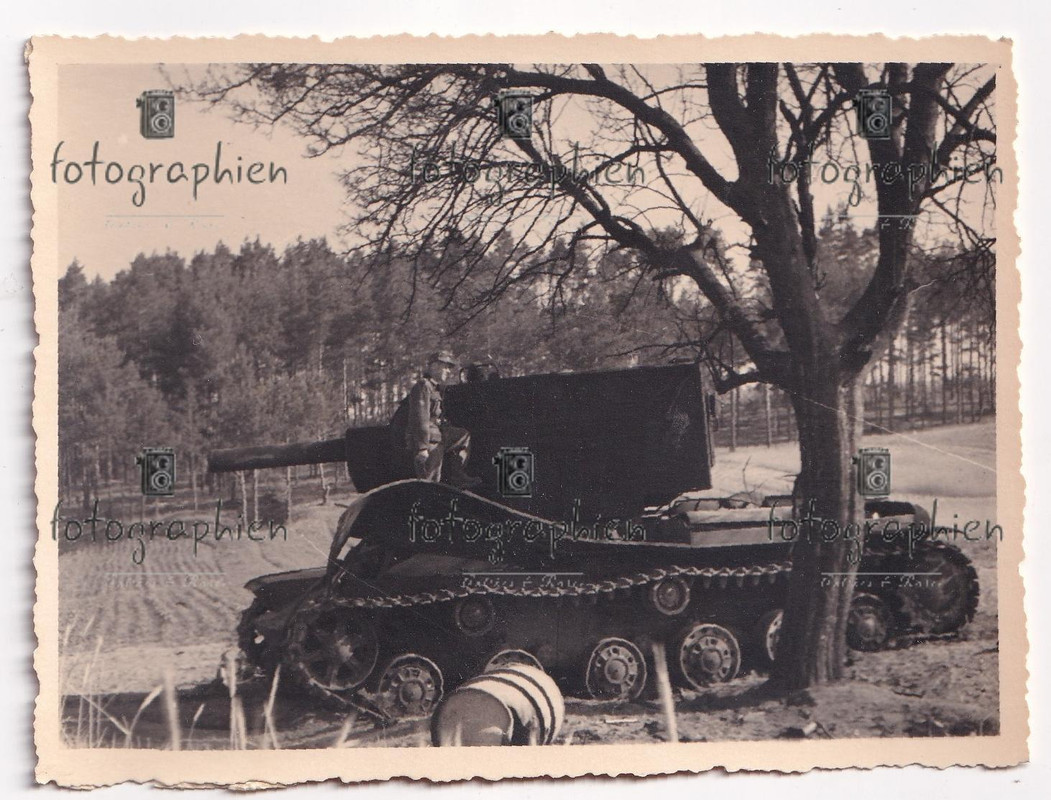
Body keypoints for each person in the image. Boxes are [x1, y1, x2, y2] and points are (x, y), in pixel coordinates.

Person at [395, 350, 481, 489]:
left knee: (463, 436)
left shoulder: (437, 389)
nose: (448, 371)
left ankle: (457, 475)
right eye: (445, 367)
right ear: (434, 366)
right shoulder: (423, 386)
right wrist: (422, 448)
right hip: (429, 441)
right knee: (430, 482)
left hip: (439, 436)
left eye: (449, 368)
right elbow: (420, 418)